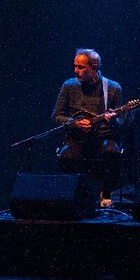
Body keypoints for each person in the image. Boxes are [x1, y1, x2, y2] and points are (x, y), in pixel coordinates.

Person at [52, 48, 125, 208]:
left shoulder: (113, 88)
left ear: (94, 67)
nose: (75, 70)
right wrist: (74, 123)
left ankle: (106, 194)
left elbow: (123, 123)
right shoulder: (69, 86)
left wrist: (113, 120)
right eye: (75, 66)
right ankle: (68, 198)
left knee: (111, 152)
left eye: (81, 67)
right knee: (67, 157)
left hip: (102, 138)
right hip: (77, 138)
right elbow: (56, 116)